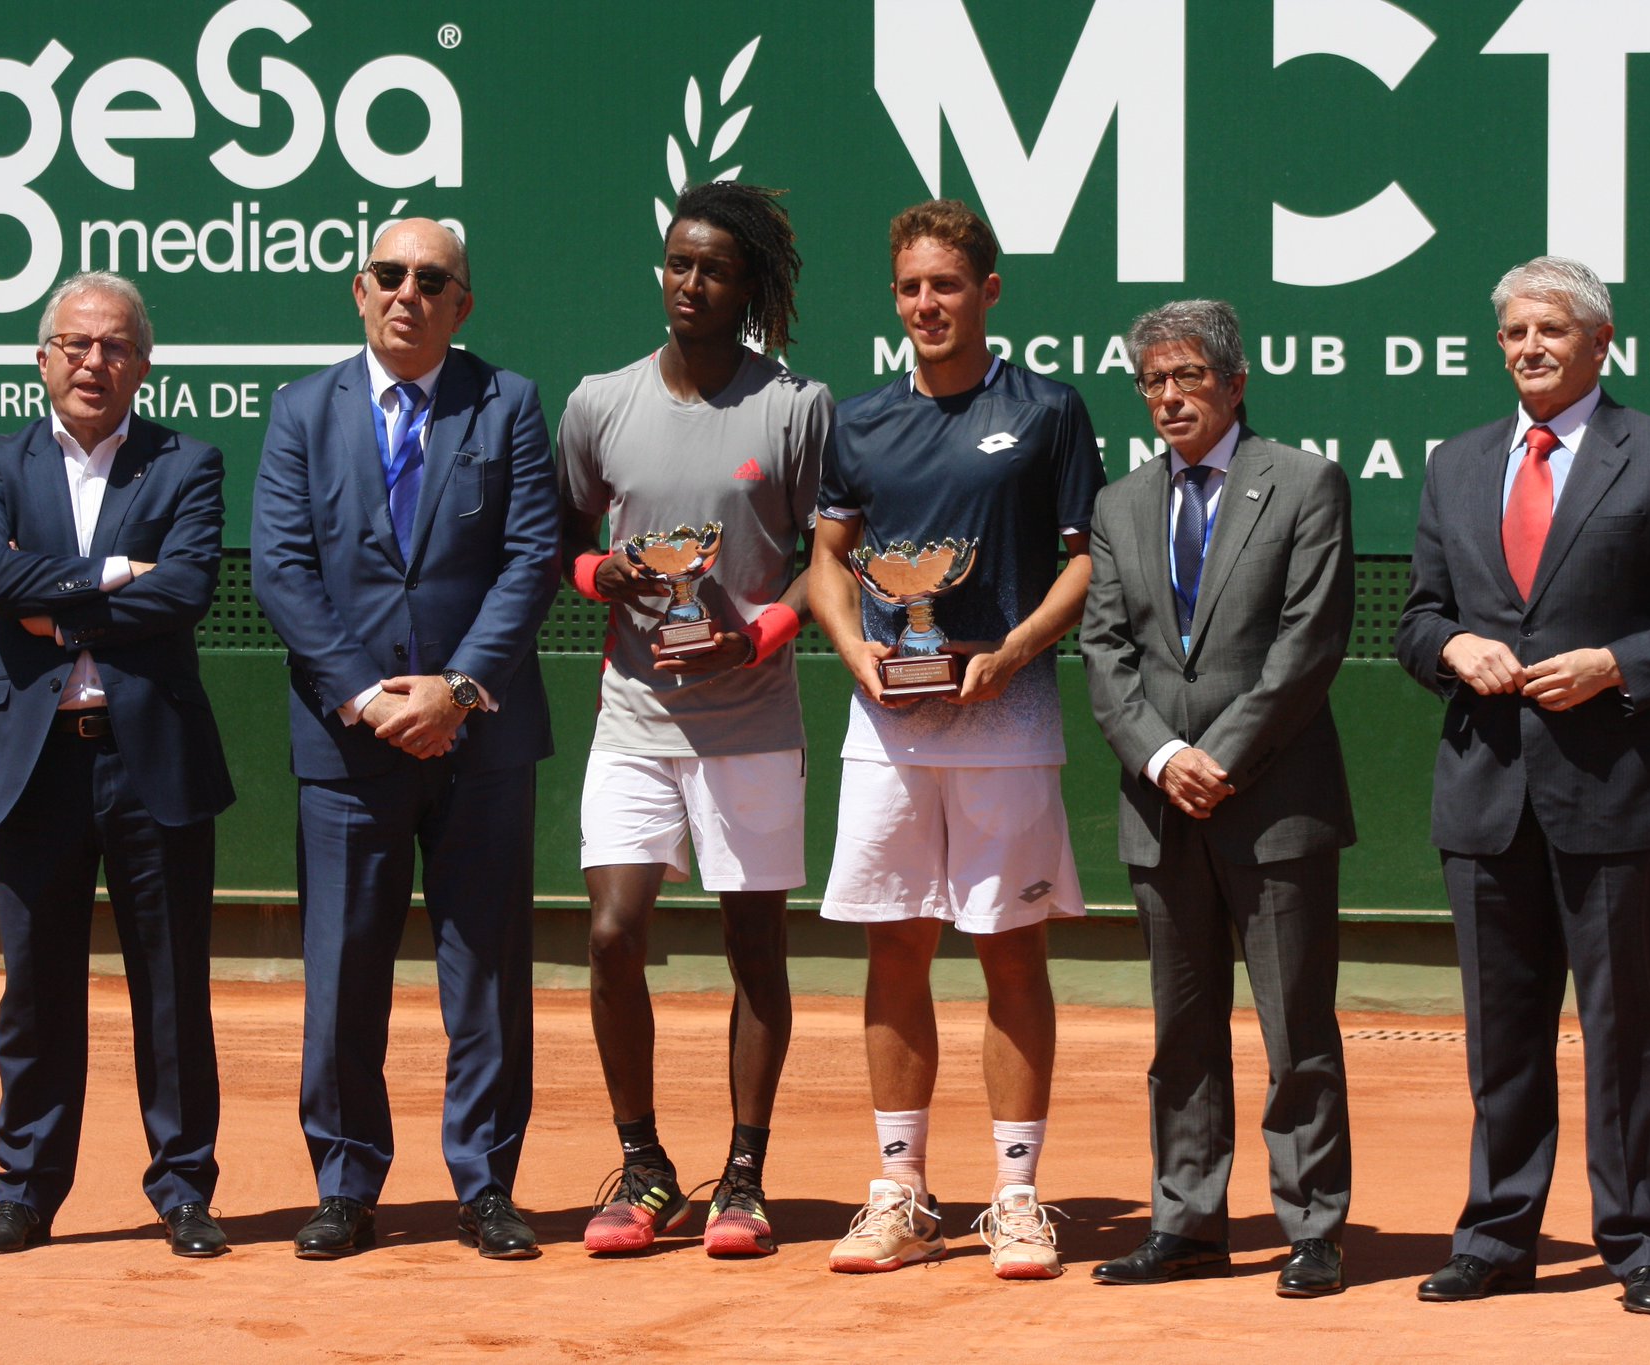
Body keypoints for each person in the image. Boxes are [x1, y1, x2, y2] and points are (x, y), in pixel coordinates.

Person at [1396, 256, 1650, 1315]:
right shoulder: (1454, 464)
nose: (1528, 348)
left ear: (1599, 342)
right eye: (1511, 332)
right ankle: (1496, 1234)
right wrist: (1453, 648)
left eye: (1549, 329)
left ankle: (1643, 1243)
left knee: (1622, 1032)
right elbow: (1415, 620)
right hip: (1483, 794)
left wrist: (1616, 665)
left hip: (1614, 793)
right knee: (1499, 1033)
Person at [252, 218, 561, 1261]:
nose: (408, 294)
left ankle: (485, 1187)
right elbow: (281, 571)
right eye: (389, 275)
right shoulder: (300, 410)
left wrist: (459, 690)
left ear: (460, 305)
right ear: (358, 288)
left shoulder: (509, 403)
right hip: (348, 747)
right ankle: (345, 1183)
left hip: (479, 740)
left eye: (432, 281)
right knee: (342, 973)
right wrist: (366, 697)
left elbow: (529, 561)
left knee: (484, 974)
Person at [808, 199, 1105, 1280]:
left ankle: (1016, 1198)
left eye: (945, 285)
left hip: (1006, 718)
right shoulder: (861, 418)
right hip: (887, 727)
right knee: (895, 943)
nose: (925, 304)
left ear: (987, 292)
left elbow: (1082, 559)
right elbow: (829, 557)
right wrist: (855, 654)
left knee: (1007, 947)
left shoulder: (1047, 411)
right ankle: (899, 1192)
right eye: (908, 288)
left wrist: (1015, 650)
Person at [556, 181, 830, 1259]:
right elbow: (563, 539)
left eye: (713, 267)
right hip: (632, 717)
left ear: (750, 285)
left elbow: (827, 559)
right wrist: (600, 573)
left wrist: (758, 633)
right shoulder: (599, 402)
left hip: (752, 721)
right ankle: (643, 1163)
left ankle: (745, 1177)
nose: (689, 282)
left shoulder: (794, 407)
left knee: (752, 942)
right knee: (614, 933)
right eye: (677, 262)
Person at [0, 270, 234, 1258]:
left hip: (150, 757)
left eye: (115, 346)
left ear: (143, 366)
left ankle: (185, 1190)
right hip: (33, 767)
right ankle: (26, 1192)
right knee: (36, 989)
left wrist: (58, 602)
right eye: (74, 343)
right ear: (42, 360)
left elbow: (189, 589)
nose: (93, 361)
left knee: (171, 986)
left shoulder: (186, 462)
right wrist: (118, 574)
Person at [1081, 300, 1357, 1295]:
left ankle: (1312, 1225)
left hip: (1272, 803)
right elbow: (1104, 655)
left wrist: (1218, 756)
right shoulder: (1119, 504)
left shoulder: (1303, 482)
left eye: (1185, 378)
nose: (1166, 398)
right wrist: (1162, 760)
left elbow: (1306, 646)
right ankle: (1187, 1221)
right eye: (1151, 381)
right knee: (1180, 1031)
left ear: (1233, 384)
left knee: (1296, 1030)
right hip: (1161, 809)